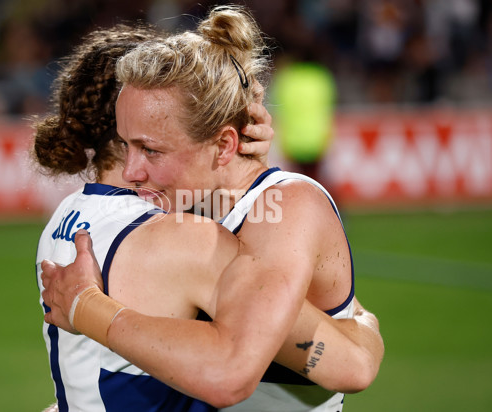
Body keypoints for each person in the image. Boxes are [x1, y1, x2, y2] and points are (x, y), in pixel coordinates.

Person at [40, 5, 383, 412]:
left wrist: (88, 308)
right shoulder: (191, 205)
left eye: (151, 149)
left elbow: (236, 373)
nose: (131, 171)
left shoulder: (286, 209)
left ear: (223, 145)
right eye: (126, 144)